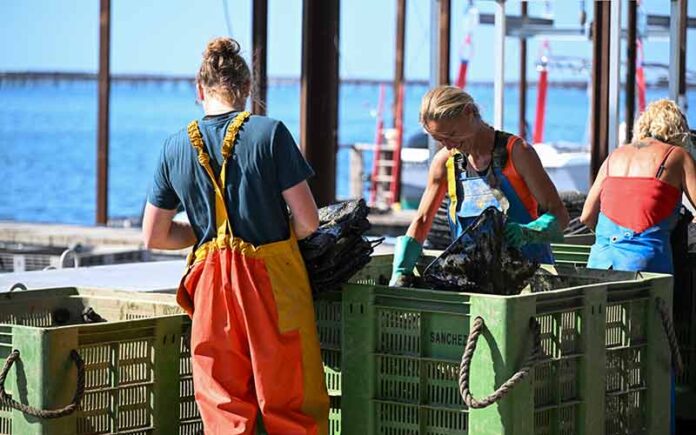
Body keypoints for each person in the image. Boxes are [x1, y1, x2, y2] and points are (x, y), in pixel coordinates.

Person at [142, 37, 329, 434]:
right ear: (247, 89)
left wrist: (207, 232)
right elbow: (309, 221)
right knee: (290, 400)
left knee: (223, 405)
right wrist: (273, 232)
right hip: (273, 286)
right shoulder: (270, 133)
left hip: (211, 290)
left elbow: (155, 235)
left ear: (199, 90)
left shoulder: (174, 146)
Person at [390, 86, 569, 286]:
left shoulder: (518, 153)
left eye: (452, 134)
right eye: (439, 139)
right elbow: (422, 220)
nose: (449, 145)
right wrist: (401, 269)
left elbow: (560, 216)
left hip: (531, 279)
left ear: (469, 112)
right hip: (473, 280)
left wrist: (527, 232)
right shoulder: (445, 163)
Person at [580, 98, 695, 274]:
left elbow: (587, 216)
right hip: (646, 265)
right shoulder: (677, 156)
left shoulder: (614, 156)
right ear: (679, 129)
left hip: (600, 262)